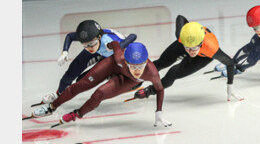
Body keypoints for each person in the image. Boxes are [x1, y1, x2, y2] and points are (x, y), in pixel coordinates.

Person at [32, 42, 172, 127]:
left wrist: (159, 111)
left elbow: (160, 89)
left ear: (146, 62)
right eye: (132, 66)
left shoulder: (152, 73)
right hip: (112, 65)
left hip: (127, 81)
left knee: (99, 94)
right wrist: (107, 46)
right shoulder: (119, 57)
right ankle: (52, 106)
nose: (136, 70)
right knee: (81, 84)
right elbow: (115, 44)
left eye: (140, 66)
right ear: (125, 61)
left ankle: (76, 114)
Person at [130, 15, 243, 102]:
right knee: (160, 64)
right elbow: (180, 17)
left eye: (193, 49)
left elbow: (230, 63)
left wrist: (230, 85)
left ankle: (150, 91)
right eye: (188, 49)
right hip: (183, 43)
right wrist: (187, 32)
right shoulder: (181, 37)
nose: (190, 52)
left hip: (203, 57)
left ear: (200, 44)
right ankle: (138, 79)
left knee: (173, 72)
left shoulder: (211, 48)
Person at [40, 20, 136, 105]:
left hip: (111, 55)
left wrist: (121, 45)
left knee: (82, 80)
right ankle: (58, 94)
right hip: (99, 49)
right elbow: (70, 36)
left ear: (99, 37)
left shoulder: (109, 41)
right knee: (72, 70)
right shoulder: (90, 39)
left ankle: (111, 75)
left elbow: (133, 36)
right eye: (85, 45)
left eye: (91, 44)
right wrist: (65, 51)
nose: (89, 48)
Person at [216, 3, 260, 77]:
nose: (256, 31)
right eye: (254, 28)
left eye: (258, 27)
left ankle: (239, 69)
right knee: (250, 46)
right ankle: (231, 63)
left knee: (256, 54)